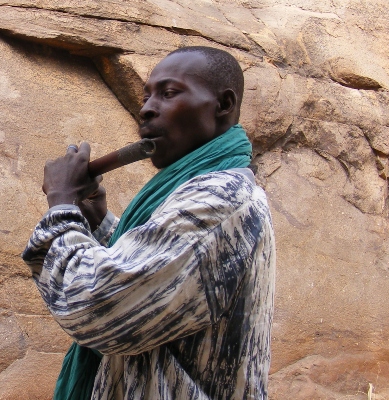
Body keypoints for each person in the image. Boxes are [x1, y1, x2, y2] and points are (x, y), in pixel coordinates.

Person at [23, 46, 276, 399]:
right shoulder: (201, 189)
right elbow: (156, 274)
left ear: (223, 105)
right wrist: (99, 223)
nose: (146, 108)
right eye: (146, 96)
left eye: (169, 93)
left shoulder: (222, 198)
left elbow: (100, 308)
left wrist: (62, 206)